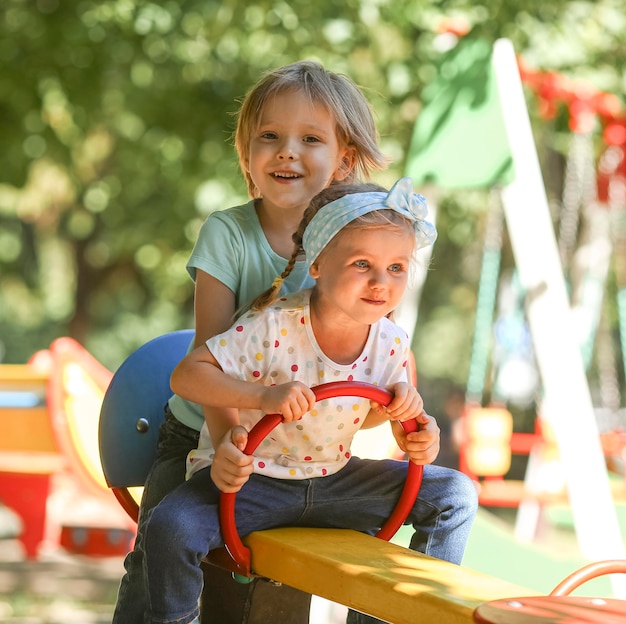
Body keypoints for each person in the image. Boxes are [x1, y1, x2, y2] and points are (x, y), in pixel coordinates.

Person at [112, 60, 389, 623]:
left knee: (277, 574)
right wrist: (226, 449)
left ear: (346, 161)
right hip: (204, 430)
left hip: (295, 452)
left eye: (310, 139)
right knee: (157, 553)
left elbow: (363, 359)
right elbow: (206, 358)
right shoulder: (229, 233)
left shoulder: (352, 250)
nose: (287, 151)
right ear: (246, 156)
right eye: (270, 137)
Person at [144, 178, 479, 624]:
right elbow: (187, 376)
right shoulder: (275, 325)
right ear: (318, 263)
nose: (381, 282)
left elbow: (367, 417)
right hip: (254, 482)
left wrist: (411, 427)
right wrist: (264, 396)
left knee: (454, 494)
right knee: (170, 526)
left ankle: (395, 615)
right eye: (363, 263)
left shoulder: (391, 342)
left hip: (333, 480)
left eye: (397, 268)